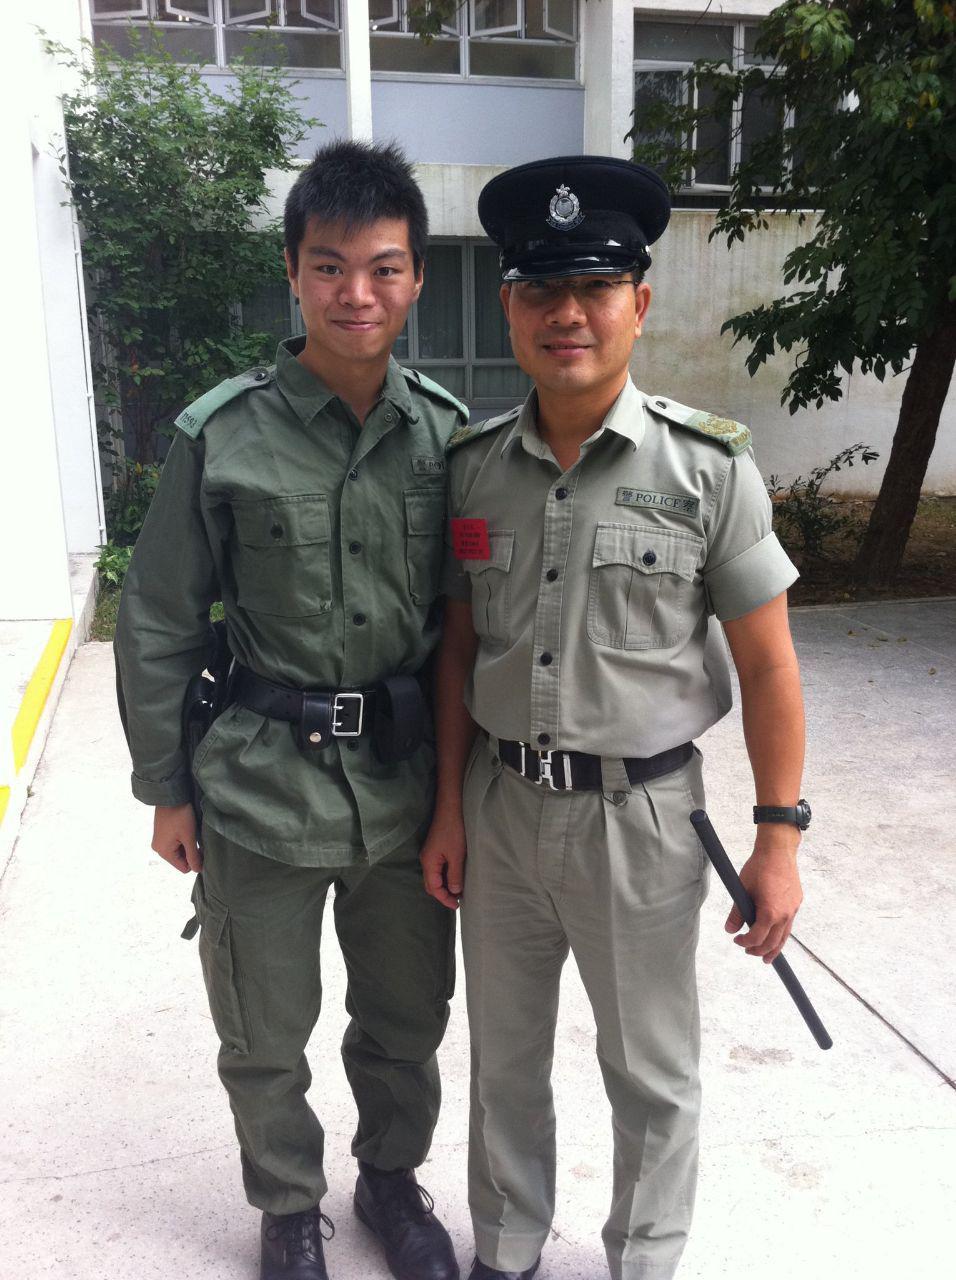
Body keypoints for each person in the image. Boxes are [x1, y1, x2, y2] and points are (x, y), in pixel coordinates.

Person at [419, 155, 809, 1280]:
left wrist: (778, 837)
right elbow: (459, 649)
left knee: (649, 1069)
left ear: (638, 302)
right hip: (499, 809)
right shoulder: (474, 470)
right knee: (503, 1060)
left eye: (594, 287)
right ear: (509, 309)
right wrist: (447, 808)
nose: (568, 314)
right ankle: (506, 1246)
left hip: (640, 818)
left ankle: (642, 1257)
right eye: (542, 289)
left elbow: (769, 667)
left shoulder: (706, 470)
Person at [115, 140, 466, 1280]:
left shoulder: (449, 437)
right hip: (258, 786)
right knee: (262, 1030)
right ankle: (285, 1204)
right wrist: (166, 786)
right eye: (329, 266)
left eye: (383, 267)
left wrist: (464, 797)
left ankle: (390, 1181)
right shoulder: (220, 435)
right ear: (293, 273)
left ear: (415, 277)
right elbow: (158, 617)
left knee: (406, 1016)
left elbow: (472, 627)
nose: (356, 293)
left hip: (403, 790)